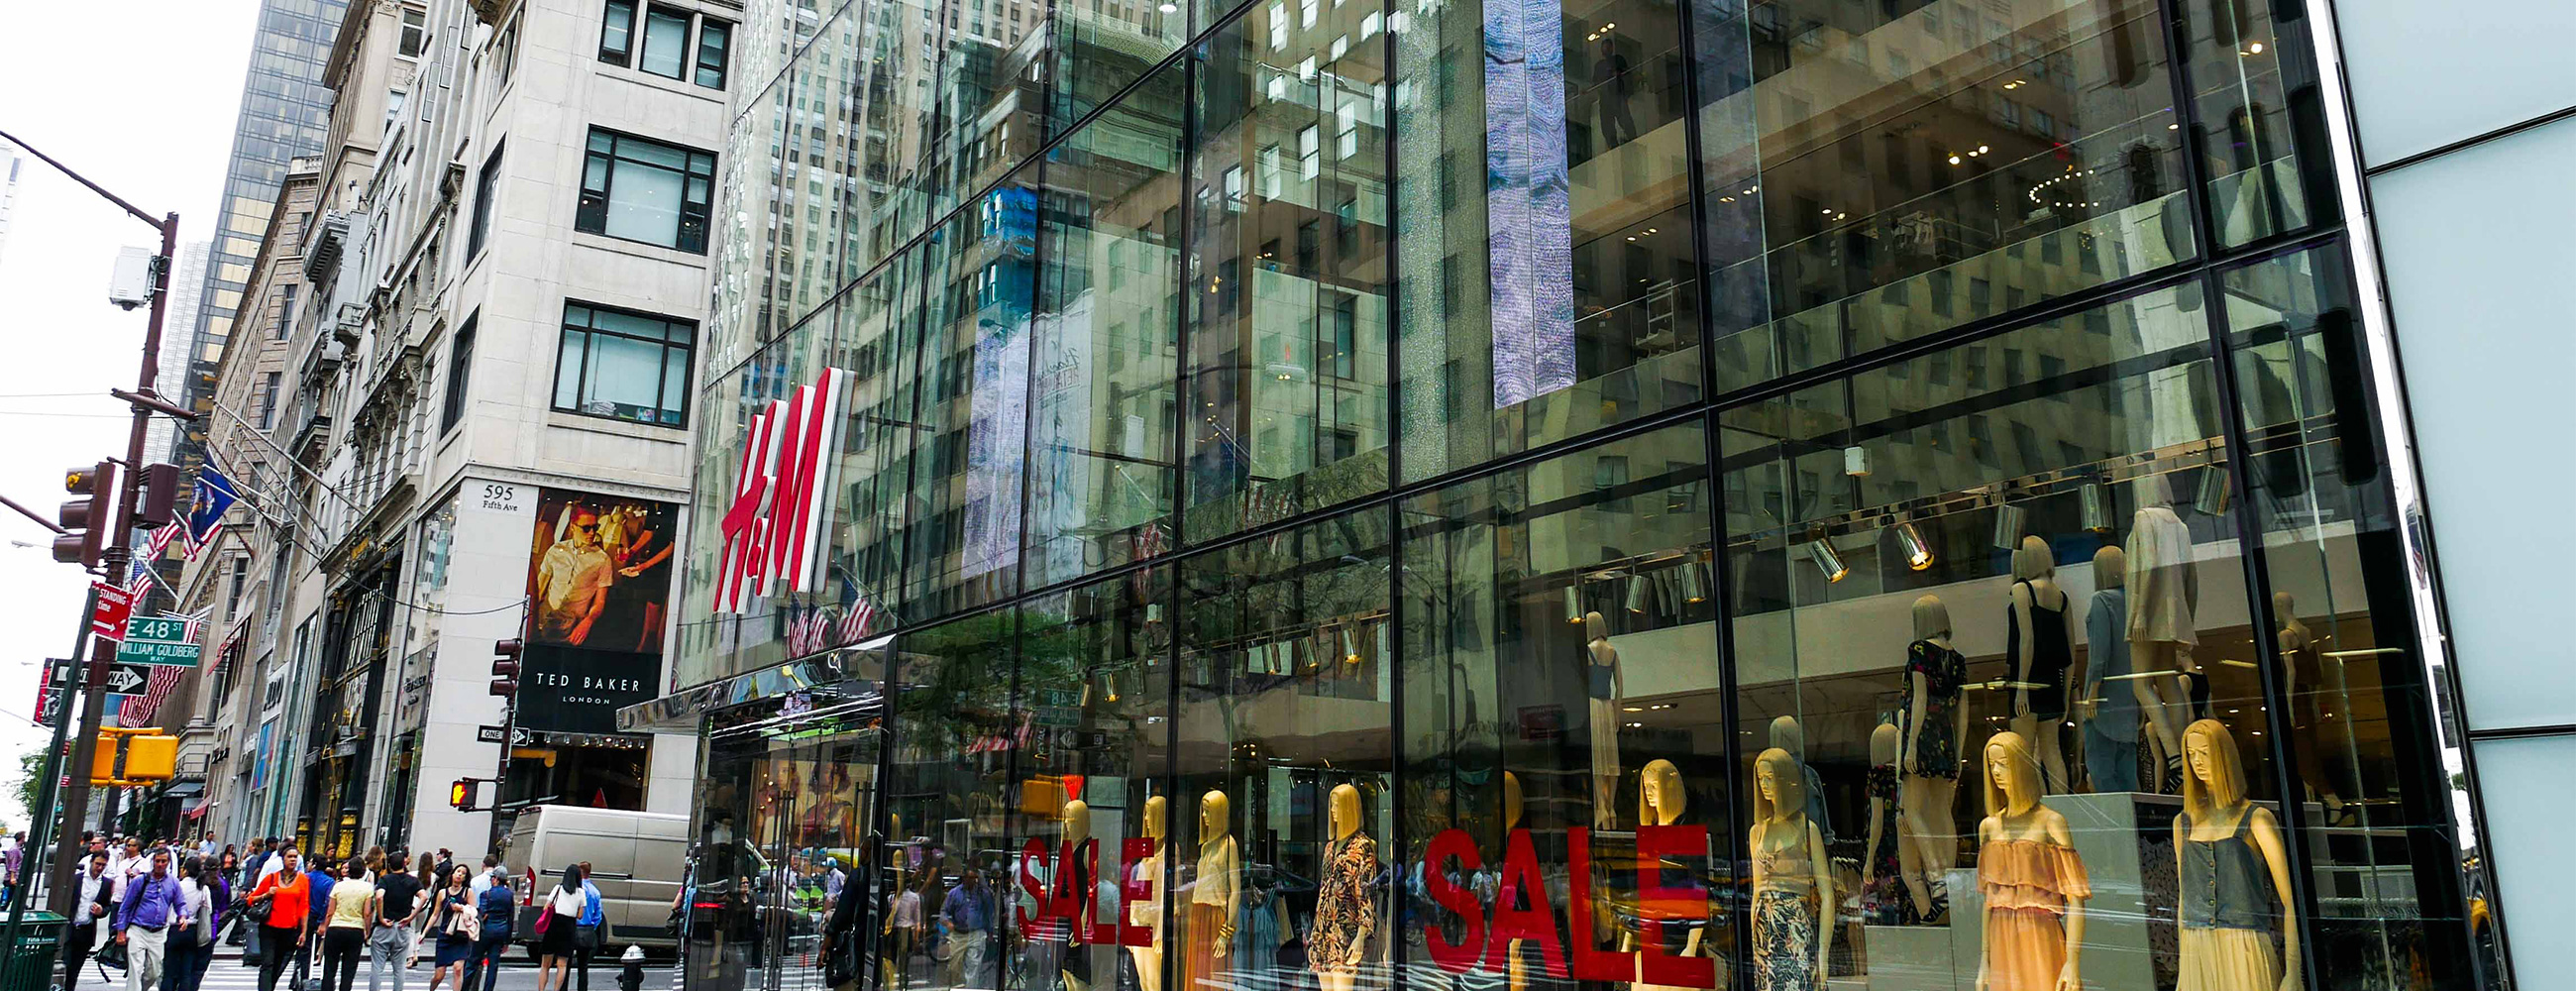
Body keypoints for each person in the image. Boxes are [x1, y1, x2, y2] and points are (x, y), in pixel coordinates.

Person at [115, 849, 184, 991]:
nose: (160, 864)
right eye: (157, 861)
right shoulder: (140, 881)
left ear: (168, 862)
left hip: (158, 932)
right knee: (135, 969)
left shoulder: (173, 882)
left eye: (163, 861)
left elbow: (180, 903)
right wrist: (121, 931)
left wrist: (182, 916)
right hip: (138, 929)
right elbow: (125, 906)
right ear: (152, 862)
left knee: (154, 972)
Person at [249, 845, 311, 991]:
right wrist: (266, 895)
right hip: (269, 928)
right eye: (290, 856)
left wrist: (304, 931)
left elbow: (304, 906)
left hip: (290, 930)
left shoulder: (303, 879)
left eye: (295, 857)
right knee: (267, 964)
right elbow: (250, 900)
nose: (293, 860)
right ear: (282, 859)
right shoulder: (272, 878)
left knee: (278, 965)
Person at [164, 855, 221, 991]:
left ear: (185, 870)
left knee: (169, 971)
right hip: (192, 930)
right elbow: (209, 909)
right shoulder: (203, 888)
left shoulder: (178, 885)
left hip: (174, 928)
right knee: (187, 970)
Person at [371, 848, 422, 991]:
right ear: (403, 864)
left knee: (377, 967)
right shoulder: (412, 881)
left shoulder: (385, 880)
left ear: (389, 865)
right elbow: (423, 896)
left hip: (385, 926)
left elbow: (379, 896)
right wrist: (412, 915)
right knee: (399, 969)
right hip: (403, 926)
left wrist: (381, 917)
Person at [62, 851, 116, 988]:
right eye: (98, 864)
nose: (99, 868)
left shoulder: (106, 884)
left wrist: (101, 911)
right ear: (91, 862)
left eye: (103, 865)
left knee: (75, 969)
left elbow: (108, 906)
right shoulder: (76, 879)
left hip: (86, 930)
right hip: (70, 928)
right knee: (64, 965)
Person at [322, 857, 375, 991]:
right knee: (349, 969)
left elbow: (330, 910)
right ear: (363, 872)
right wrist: (367, 931)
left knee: (329, 968)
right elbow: (367, 913)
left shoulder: (338, 886)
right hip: (355, 928)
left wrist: (324, 926)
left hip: (335, 927)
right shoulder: (368, 888)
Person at [534, 864, 588, 991]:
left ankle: (541, 989)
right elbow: (580, 915)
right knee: (562, 965)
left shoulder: (558, 888)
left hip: (554, 925)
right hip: (569, 928)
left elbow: (546, 907)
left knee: (545, 965)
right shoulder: (581, 893)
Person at [468, 870, 515, 991]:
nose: (490, 880)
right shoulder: (509, 895)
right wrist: (507, 941)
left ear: (496, 879)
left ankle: (465, 987)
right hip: (501, 932)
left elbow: (482, 913)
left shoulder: (486, 894)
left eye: (492, 878)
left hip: (485, 931)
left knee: (473, 962)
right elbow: (510, 917)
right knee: (492, 966)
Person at [303, 855, 341, 988]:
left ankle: (301, 978)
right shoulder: (329, 882)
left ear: (313, 864)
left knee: (303, 949)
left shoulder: (305, 878)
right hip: (317, 916)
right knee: (313, 948)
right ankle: (310, 979)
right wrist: (323, 921)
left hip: (304, 916)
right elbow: (327, 903)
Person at [575, 861, 605, 991]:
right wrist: (592, 927)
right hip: (587, 931)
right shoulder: (595, 892)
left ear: (580, 872)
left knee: (564, 963)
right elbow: (598, 916)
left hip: (574, 929)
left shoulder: (576, 890)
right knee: (583, 967)